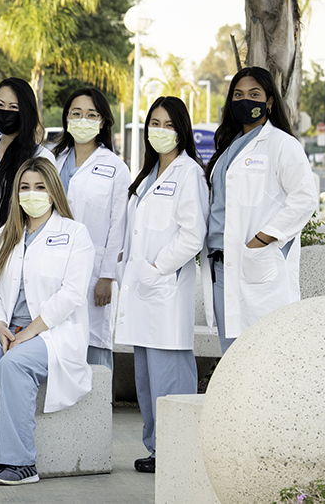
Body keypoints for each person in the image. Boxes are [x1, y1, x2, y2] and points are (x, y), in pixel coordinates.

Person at [0, 157, 94, 486]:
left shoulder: (74, 233)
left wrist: (29, 332)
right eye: (25, 188)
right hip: (8, 329)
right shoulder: (8, 233)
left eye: (39, 187)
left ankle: (22, 464)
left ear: (53, 191)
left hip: (51, 332)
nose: (31, 193)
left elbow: (72, 295)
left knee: (14, 365)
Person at [114, 96, 208, 474]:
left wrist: (156, 268)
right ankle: (156, 448)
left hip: (164, 291)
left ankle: (179, 447)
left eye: (169, 124)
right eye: (155, 122)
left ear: (182, 129)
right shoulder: (147, 175)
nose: (161, 131)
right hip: (142, 295)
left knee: (170, 377)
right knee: (146, 381)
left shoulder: (189, 174)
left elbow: (193, 236)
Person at [204, 67, 318, 353]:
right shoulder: (228, 148)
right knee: (232, 354)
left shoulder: (281, 145)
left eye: (254, 94)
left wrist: (261, 240)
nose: (246, 101)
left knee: (265, 352)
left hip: (256, 262)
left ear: (269, 102)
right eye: (238, 95)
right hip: (222, 265)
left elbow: (304, 198)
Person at [52, 87, 130, 369]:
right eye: (76, 114)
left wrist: (107, 276)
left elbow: (117, 227)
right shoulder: (53, 161)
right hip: (53, 264)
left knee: (92, 343)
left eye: (91, 114)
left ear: (102, 121)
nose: (82, 120)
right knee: (55, 339)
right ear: (67, 119)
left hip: (93, 272)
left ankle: (94, 411)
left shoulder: (115, 168)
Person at [0, 78, 54, 333]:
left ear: (26, 111)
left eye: (13, 107)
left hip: (20, 254)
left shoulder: (40, 158)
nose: (5, 112)